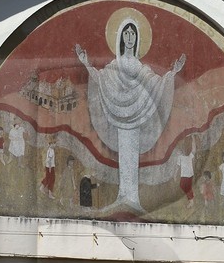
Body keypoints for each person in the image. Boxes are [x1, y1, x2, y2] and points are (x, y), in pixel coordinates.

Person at [73, 17, 184, 212]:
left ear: (137, 38)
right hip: (120, 119)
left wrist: (172, 74)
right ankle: (123, 196)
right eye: (127, 33)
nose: (130, 37)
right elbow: (101, 79)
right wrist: (86, 64)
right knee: (125, 158)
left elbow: (154, 83)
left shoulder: (141, 68)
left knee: (131, 158)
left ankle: (133, 198)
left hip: (136, 120)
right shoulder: (115, 65)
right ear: (122, 37)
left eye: (133, 33)